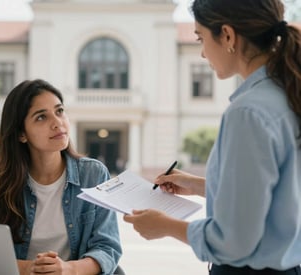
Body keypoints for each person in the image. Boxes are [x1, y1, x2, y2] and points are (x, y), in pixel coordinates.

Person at [124, 0, 301, 274]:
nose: (203, 54)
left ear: (228, 36)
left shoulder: (248, 112)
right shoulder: (287, 96)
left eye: (201, 38)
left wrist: (165, 226)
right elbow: (276, 196)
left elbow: (234, 241)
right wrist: (198, 186)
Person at [0, 79, 122, 275]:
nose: (58, 123)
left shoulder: (93, 174)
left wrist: (68, 269)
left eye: (59, 111)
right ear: (21, 134)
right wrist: (29, 268)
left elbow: (107, 248)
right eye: (41, 117)